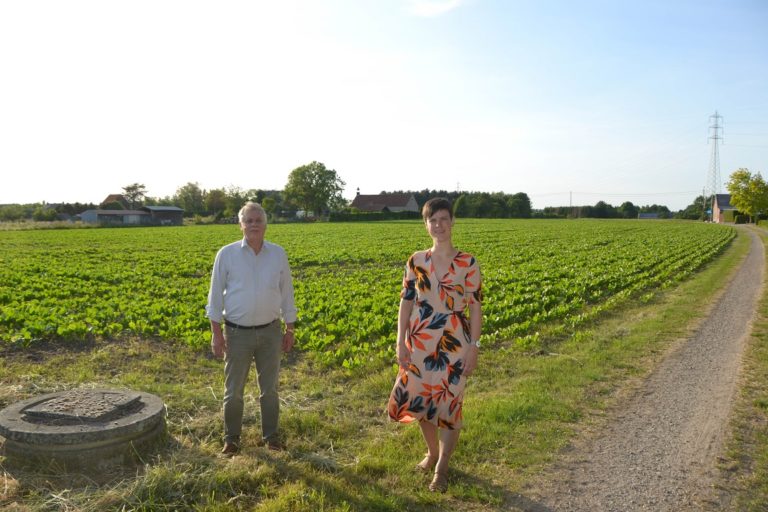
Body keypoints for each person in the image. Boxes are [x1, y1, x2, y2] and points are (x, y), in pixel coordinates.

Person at [387, 197, 483, 493]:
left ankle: (442, 467)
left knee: (449, 402)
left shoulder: (468, 263)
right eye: (433, 220)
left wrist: (474, 346)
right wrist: (400, 339)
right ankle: (431, 452)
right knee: (421, 399)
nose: (438, 225)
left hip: (455, 341)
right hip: (419, 340)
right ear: (425, 224)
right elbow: (406, 301)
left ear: (453, 222)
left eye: (444, 219)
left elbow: (476, 307)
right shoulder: (415, 261)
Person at [206, 201, 297, 456]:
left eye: (258, 220)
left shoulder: (278, 254)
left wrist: (289, 329)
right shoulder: (226, 254)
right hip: (236, 334)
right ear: (241, 225)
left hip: (270, 331)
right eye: (249, 220)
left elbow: (286, 293)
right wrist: (216, 333)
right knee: (233, 391)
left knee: (270, 390)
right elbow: (215, 298)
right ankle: (232, 439)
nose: (254, 224)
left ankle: (271, 437)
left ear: (265, 224)